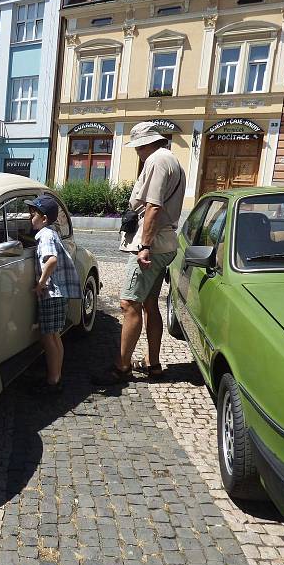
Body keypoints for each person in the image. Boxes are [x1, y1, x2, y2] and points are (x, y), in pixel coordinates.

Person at [92, 122, 186, 385]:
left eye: (137, 148)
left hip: (152, 246)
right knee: (149, 304)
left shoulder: (156, 161)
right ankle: (153, 363)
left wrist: (144, 246)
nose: (136, 153)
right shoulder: (171, 159)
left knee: (129, 304)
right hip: (165, 243)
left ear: (145, 144)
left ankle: (121, 368)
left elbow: (153, 207)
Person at [26, 195, 81, 395]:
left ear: (44, 219)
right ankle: (56, 376)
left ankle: (52, 380)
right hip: (59, 292)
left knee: (47, 336)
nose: (31, 216)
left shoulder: (45, 235)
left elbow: (51, 261)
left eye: (34, 213)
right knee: (55, 336)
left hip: (51, 292)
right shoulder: (52, 232)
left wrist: (40, 284)